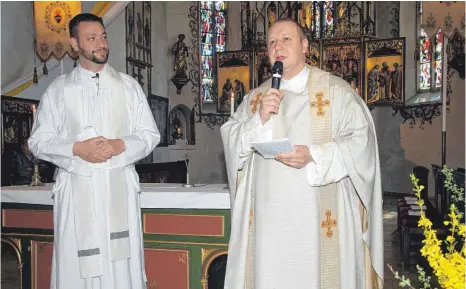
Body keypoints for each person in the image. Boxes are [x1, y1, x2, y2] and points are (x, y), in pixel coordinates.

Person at [221, 19, 383, 289]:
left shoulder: (336, 92)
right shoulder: (255, 99)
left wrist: (314, 155)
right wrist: (257, 121)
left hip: (317, 218)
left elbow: (361, 142)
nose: (277, 47)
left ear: (305, 46)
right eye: (271, 42)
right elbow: (231, 142)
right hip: (267, 221)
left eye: (286, 39)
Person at [28, 13, 160, 289]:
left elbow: (149, 134)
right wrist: (76, 149)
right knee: (78, 269)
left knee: (120, 267)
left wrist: (119, 145)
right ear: (74, 45)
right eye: (92, 38)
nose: (101, 43)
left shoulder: (128, 86)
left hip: (118, 190)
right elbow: (39, 141)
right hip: (77, 192)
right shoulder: (59, 90)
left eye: (103, 36)